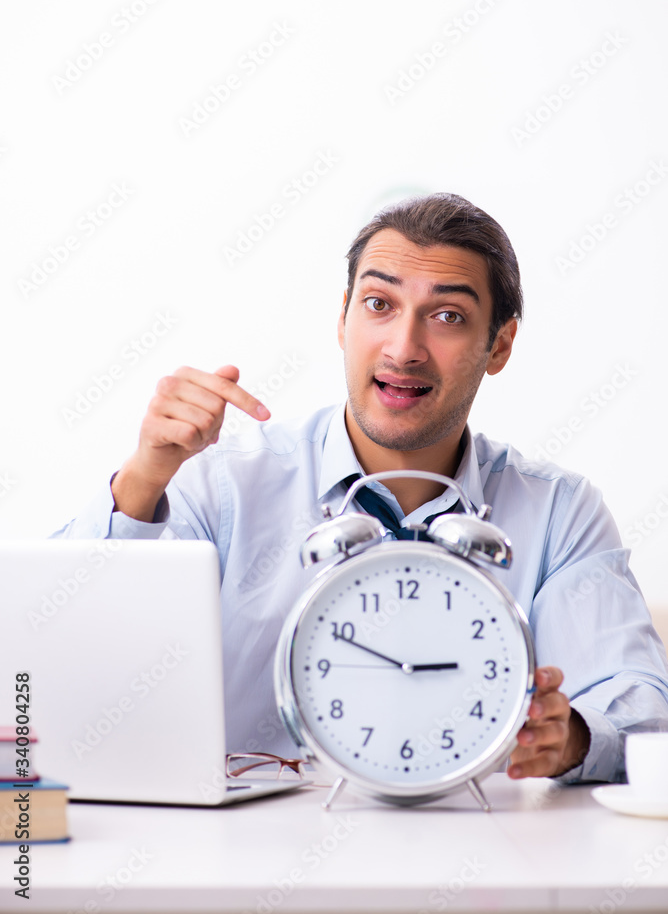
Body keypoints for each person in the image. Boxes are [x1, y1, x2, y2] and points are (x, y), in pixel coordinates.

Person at [54, 192, 668, 783]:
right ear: (343, 318)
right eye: (379, 305)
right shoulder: (221, 483)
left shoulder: (559, 512)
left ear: (499, 345)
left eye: (448, 317)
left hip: (477, 842)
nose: (404, 348)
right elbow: (59, 655)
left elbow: (641, 717)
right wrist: (145, 475)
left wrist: (573, 738)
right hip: (248, 845)